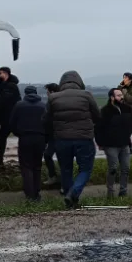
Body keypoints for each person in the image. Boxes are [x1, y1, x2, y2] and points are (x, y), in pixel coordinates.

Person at [45, 71, 100, 209]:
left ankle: (70, 200)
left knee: (65, 169)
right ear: (79, 82)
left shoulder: (53, 98)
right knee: (85, 169)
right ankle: (73, 194)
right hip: (84, 139)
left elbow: (46, 120)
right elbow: (97, 116)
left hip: (62, 140)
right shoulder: (87, 95)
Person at [9, 85, 47, 202]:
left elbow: (12, 123)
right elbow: (49, 124)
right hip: (40, 139)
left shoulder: (19, 105)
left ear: (25, 93)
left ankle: (29, 195)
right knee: (37, 166)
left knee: (26, 166)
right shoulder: (43, 106)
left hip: (25, 139)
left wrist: (19, 134)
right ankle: (37, 193)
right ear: (36, 93)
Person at [96, 88, 132, 197]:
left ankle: (123, 192)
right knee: (113, 168)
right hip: (110, 145)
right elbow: (98, 128)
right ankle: (110, 192)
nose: (121, 97)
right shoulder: (105, 111)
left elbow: (131, 126)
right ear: (112, 97)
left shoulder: (127, 109)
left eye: (121, 95)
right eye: (118, 95)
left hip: (125, 144)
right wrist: (100, 143)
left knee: (126, 168)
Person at [0, 67, 20, 164]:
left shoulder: (11, 86)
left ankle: (26, 157)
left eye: (0, 73)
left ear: (6, 73)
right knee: (2, 136)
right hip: (6, 117)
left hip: (12, 116)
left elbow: (4, 98)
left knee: (20, 136)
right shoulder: (2, 84)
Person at [43, 83, 59, 187]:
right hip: (55, 135)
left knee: (48, 155)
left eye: (47, 91)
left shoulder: (52, 102)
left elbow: (47, 119)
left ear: (51, 91)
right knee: (48, 155)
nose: (47, 93)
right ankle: (55, 177)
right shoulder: (52, 101)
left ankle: (55, 178)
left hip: (56, 135)